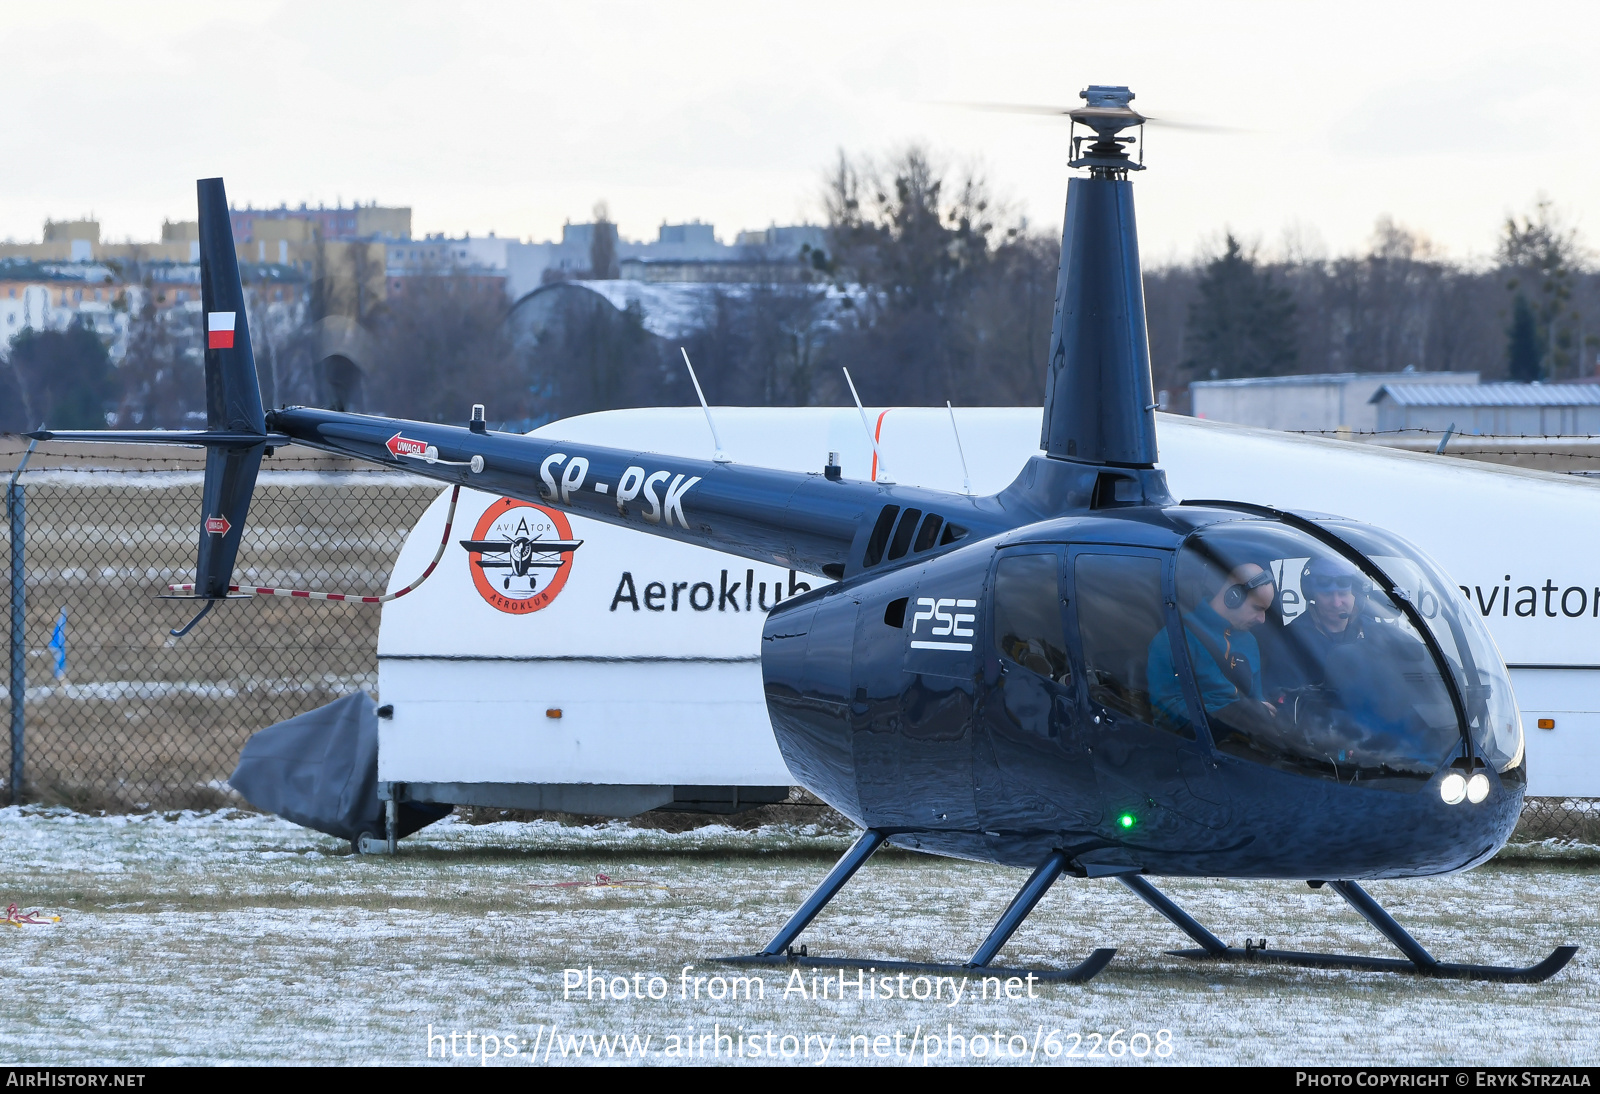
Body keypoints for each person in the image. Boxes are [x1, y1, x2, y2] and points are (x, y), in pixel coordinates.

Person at [1148, 562, 1276, 728]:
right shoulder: (1172, 638)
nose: (1262, 619)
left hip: (1247, 740)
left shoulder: (1249, 642)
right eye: (1257, 608)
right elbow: (1164, 710)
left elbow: (1257, 698)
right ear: (1234, 596)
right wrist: (1231, 714)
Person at [1262, 556, 1372, 694]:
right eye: (1327, 595)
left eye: (1343, 594)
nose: (1336, 603)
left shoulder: (1374, 633)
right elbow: (1283, 696)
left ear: (1356, 594)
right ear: (1311, 594)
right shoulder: (1292, 638)